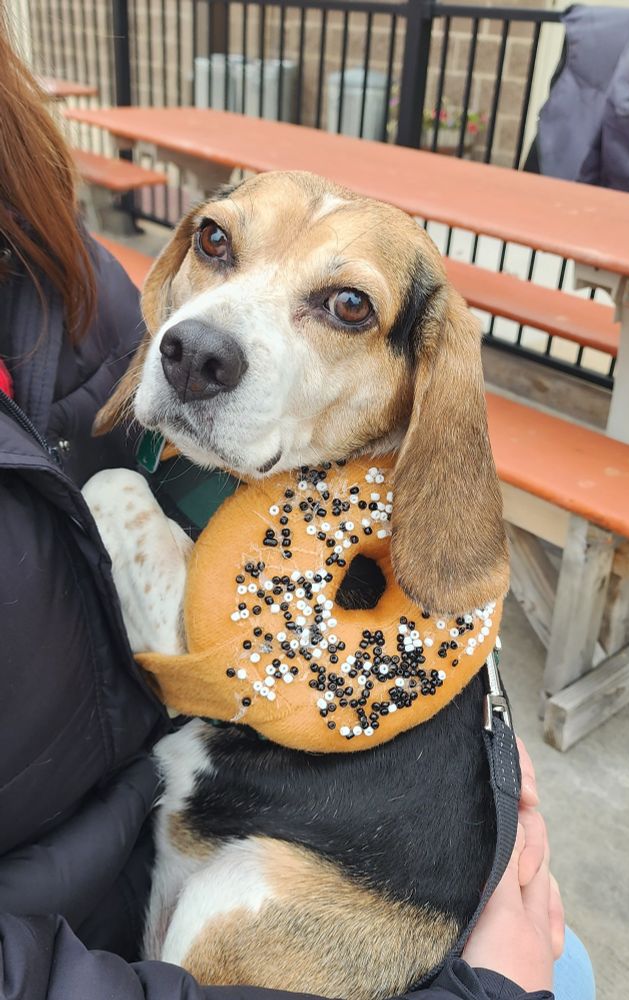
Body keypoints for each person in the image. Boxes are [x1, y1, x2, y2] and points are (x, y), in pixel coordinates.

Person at [0, 6, 593, 998]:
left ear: (415, 388)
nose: (205, 335)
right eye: (220, 246)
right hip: (138, 904)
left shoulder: (48, 264)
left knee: (566, 962)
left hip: (349, 883)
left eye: (342, 305)